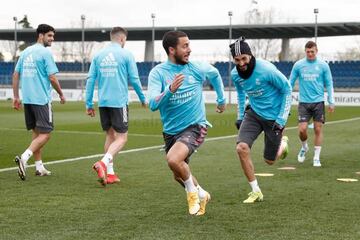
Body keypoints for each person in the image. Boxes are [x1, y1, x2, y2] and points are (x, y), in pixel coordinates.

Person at [147, 31, 226, 215]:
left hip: (195, 126)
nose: (189, 50)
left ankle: (192, 194)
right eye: (185, 46)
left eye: (189, 45)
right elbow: (152, 104)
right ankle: (201, 193)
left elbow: (215, 74)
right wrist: (170, 90)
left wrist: (221, 99)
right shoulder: (158, 73)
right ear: (171, 50)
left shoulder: (196, 68)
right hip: (171, 131)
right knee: (177, 173)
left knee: (173, 159)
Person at [230, 37, 291, 203]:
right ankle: (256, 191)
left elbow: (287, 89)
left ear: (250, 55)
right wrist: (240, 115)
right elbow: (241, 94)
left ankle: (283, 144)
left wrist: (281, 119)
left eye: (244, 58)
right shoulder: (235, 75)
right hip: (254, 113)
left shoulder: (266, 70)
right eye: (237, 60)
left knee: (269, 161)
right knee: (241, 148)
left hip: (274, 117)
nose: (241, 63)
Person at [86, 27, 147, 186]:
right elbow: (134, 79)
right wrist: (142, 98)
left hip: (103, 102)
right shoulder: (126, 54)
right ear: (122, 39)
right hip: (118, 102)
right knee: (122, 138)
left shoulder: (99, 55)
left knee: (110, 136)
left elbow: (91, 80)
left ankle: (110, 173)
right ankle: (103, 163)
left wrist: (88, 103)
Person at [12, 24, 66, 180]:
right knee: (46, 134)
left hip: (28, 100)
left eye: (53, 36)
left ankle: (39, 167)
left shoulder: (25, 52)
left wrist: (16, 96)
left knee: (37, 134)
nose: (52, 39)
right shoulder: (45, 53)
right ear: (41, 35)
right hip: (41, 100)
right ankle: (24, 158)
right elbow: (52, 77)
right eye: (49, 36)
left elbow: (16, 75)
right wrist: (61, 93)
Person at [289, 41, 335, 167]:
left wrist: (331, 101)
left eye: (312, 51)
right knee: (302, 130)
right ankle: (304, 147)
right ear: (305, 51)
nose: (310, 54)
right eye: (308, 51)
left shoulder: (323, 65)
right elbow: (290, 82)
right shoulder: (298, 65)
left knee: (317, 129)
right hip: (303, 102)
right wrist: (286, 96)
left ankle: (316, 157)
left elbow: (329, 83)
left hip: (318, 102)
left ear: (316, 51)